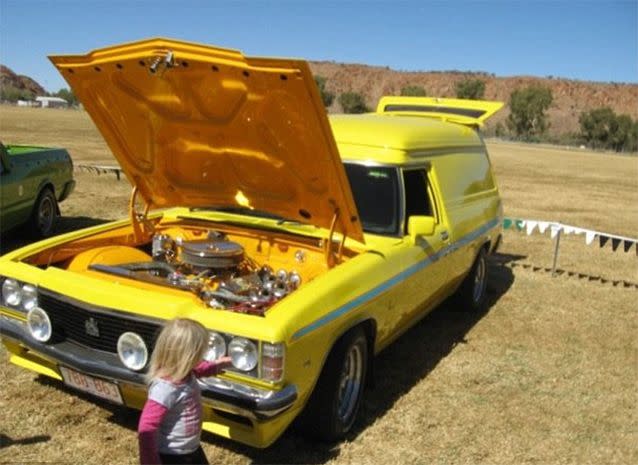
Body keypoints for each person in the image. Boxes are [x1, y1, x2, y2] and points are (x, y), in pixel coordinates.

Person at [138, 318, 232, 465]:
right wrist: (150, 461)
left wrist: (214, 367)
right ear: (186, 357)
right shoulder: (165, 390)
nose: (203, 357)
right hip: (174, 455)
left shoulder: (185, 372)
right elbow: (147, 427)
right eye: (199, 354)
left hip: (191, 448)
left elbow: (197, 369)